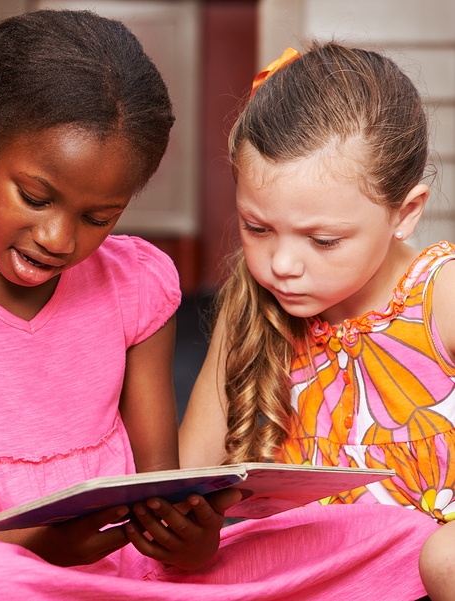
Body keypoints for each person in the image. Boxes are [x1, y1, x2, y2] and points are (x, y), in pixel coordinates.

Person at [0, 12, 437, 599]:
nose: (58, 238)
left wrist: (190, 540)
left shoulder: (136, 284)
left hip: (133, 578)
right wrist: (36, 548)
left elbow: (163, 492)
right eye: (35, 197)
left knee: (397, 539)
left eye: (99, 217)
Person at [179, 43, 452, 599]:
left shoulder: (442, 298)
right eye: (257, 228)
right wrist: (187, 535)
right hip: (285, 581)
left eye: (323, 240)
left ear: (405, 213)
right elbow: (187, 481)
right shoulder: (249, 309)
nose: (282, 264)